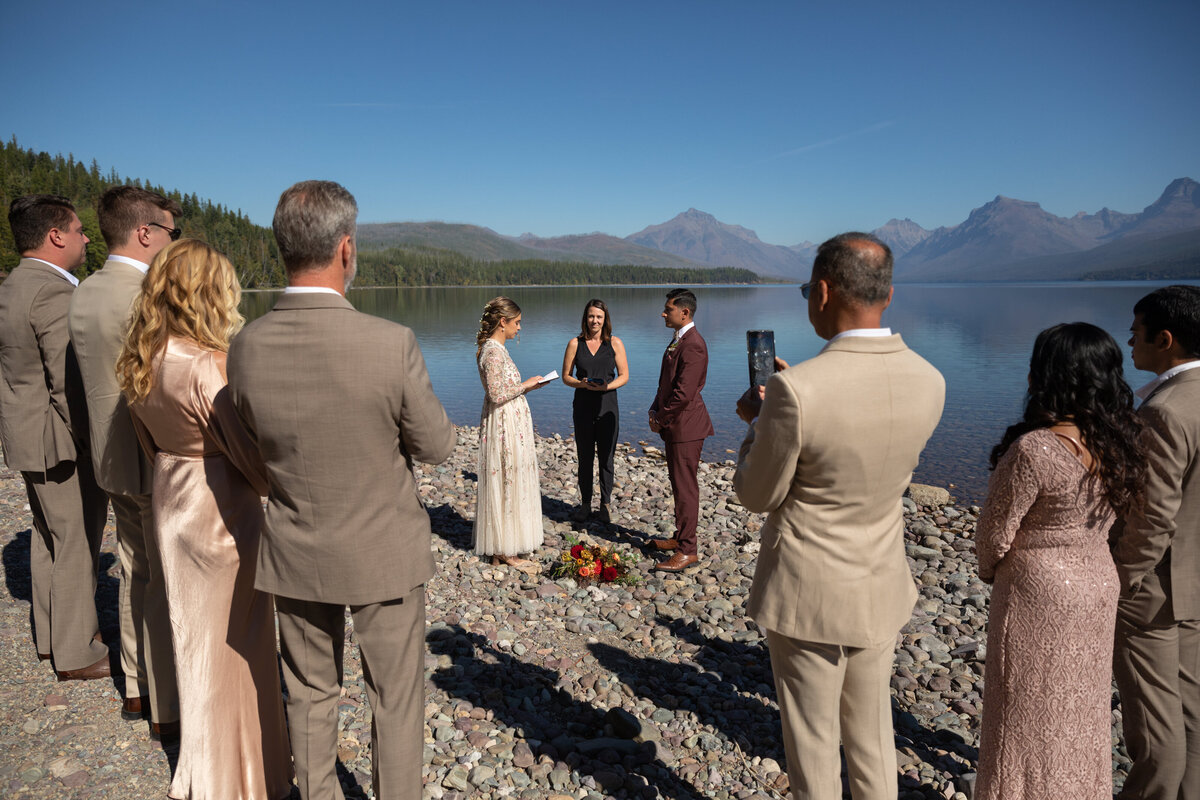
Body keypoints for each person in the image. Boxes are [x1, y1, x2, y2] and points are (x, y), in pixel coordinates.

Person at [227, 180, 455, 800]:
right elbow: (436, 446)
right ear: (346, 250)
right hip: (384, 549)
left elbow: (245, 452)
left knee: (306, 694)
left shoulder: (244, 347)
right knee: (396, 699)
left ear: (283, 250)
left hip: (297, 548)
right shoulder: (391, 343)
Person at [733, 233, 944, 799]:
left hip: (809, 595)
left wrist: (760, 421)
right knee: (875, 742)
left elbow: (758, 494)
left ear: (823, 292)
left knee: (814, 748)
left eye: (807, 289)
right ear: (889, 294)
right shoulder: (931, 379)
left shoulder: (796, 390)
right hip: (880, 585)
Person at [114, 239, 292, 799]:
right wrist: (277, 482)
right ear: (210, 293)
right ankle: (242, 776)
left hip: (172, 498)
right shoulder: (205, 363)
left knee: (194, 638)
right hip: (219, 508)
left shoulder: (143, 356)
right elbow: (247, 456)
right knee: (239, 641)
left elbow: (149, 444)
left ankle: (210, 764)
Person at [974, 323, 1145, 799]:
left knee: (1021, 714)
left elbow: (994, 534)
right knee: (1080, 710)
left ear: (1045, 374)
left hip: (1038, 594)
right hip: (1098, 585)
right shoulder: (1121, 442)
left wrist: (994, 570)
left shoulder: (1034, 449)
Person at [68, 185, 181, 738]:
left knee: (133, 570)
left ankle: (135, 685)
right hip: (148, 456)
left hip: (107, 459)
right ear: (144, 233)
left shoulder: (84, 291)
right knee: (161, 577)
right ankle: (166, 701)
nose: (172, 242)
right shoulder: (145, 296)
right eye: (170, 232)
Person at [0, 195, 110, 681]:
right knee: (76, 542)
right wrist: (93, 441)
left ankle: (50, 639)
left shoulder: (12, 285)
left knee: (48, 538)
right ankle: (78, 652)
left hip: (25, 434)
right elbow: (68, 382)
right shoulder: (53, 293)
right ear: (55, 236)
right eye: (80, 230)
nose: (87, 238)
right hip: (58, 441)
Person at [1111, 284, 1200, 800]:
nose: (1129, 344)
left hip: (1155, 594)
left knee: (1154, 727)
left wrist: (1120, 582)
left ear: (1164, 339)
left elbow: (1151, 520)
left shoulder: (1165, 412)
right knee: (1191, 713)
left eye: (1135, 333)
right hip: (1194, 583)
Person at [475, 296, 547, 572]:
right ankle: (503, 549)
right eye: (516, 323)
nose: (519, 328)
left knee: (509, 478)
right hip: (503, 424)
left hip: (508, 421)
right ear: (502, 322)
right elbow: (496, 394)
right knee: (507, 479)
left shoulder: (496, 349)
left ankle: (502, 547)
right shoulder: (492, 352)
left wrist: (526, 386)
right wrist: (526, 385)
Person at [648, 288, 713, 572]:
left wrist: (661, 418)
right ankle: (680, 537)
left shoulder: (694, 344)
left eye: (668, 309)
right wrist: (654, 409)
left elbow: (684, 393)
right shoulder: (679, 340)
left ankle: (688, 550)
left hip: (686, 427)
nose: (664, 313)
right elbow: (667, 384)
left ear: (684, 312)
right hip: (676, 425)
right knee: (678, 484)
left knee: (686, 489)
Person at [561, 298, 629, 523]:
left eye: (599, 317)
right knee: (585, 457)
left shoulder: (615, 343)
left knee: (607, 458)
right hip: (582, 407)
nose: (595, 321)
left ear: (605, 319)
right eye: (591, 316)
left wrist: (606, 386)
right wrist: (582, 384)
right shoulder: (574, 343)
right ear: (585, 318)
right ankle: (586, 504)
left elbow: (624, 376)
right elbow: (566, 377)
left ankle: (605, 505)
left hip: (608, 405)